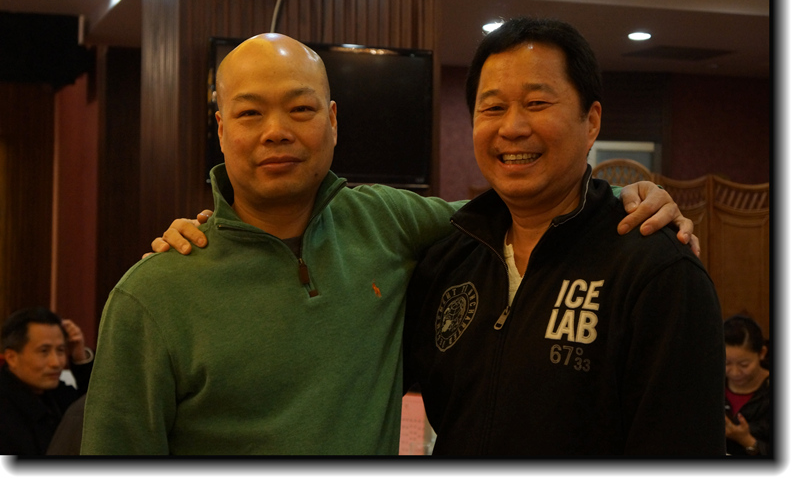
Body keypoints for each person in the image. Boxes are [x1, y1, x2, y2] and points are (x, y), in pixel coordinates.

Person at [97, 33, 694, 456]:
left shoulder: (385, 222)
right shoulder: (155, 293)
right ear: (222, 128)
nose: (276, 131)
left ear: (333, 120)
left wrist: (625, 196)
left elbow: (523, 207)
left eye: (301, 109)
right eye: (250, 114)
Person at [403, 17, 726, 456]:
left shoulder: (657, 269)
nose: (512, 127)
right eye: (492, 108)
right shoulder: (447, 259)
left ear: (591, 121)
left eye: (536, 103)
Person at [0, 307, 94, 455]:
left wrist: (80, 358)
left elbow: (93, 411)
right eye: (44, 351)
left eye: (60, 350)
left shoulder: (58, 393)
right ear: (11, 357)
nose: (56, 363)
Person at [724, 315, 771, 457]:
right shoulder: (711, 385)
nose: (734, 372)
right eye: (726, 363)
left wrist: (746, 440)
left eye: (744, 365)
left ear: (761, 353)